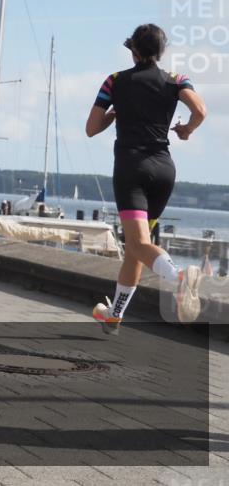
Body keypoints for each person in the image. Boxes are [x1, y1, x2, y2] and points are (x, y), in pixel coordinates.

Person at [86, 23, 207, 334]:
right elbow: (201, 111)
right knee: (137, 247)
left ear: (134, 51)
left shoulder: (114, 81)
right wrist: (186, 130)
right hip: (164, 170)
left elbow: (91, 127)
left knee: (138, 243)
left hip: (131, 169)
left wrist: (111, 116)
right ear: (159, 52)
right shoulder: (176, 79)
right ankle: (114, 316)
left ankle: (179, 279)